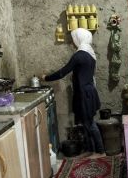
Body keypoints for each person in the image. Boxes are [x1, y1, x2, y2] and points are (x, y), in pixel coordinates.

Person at [41, 28, 105, 159]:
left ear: (79, 39)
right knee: (87, 123)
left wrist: (46, 78)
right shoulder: (90, 55)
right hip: (89, 92)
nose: (72, 42)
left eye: (73, 39)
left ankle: (100, 151)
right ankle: (92, 150)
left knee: (90, 124)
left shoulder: (79, 55)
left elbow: (62, 72)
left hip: (84, 95)